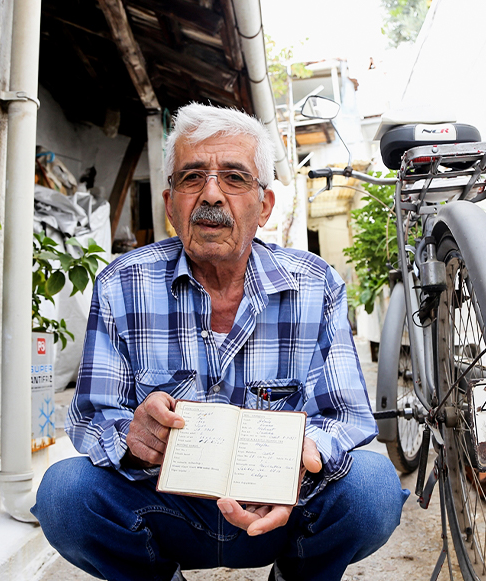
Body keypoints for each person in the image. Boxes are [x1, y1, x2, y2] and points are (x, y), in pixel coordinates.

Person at [32, 103, 409, 581]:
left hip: (281, 508)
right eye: (192, 178)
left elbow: (347, 417)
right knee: (63, 494)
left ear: (264, 206)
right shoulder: (121, 284)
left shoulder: (316, 286)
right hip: (164, 508)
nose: (211, 194)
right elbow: (91, 418)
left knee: (371, 489)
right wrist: (132, 436)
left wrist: (300, 455)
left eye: (234, 177)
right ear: (171, 205)